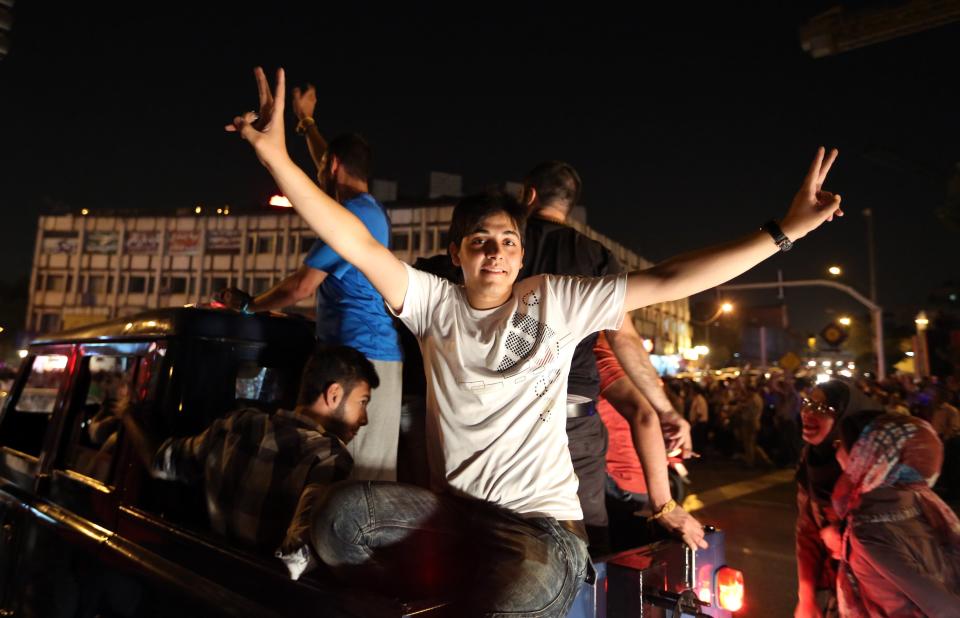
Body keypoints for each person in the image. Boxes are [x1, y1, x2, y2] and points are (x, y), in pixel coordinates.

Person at [227, 66, 841, 616]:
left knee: (523, 579)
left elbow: (670, 277)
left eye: (507, 241)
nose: (495, 251)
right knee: (340, 516)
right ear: (455, 255)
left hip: (547, 535)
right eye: (480, 242)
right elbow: (354, 240)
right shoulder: (430, 303)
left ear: (521, 255)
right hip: (461, 521)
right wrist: (279, 158)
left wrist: (782, 232)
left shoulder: (554, 299)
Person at [222, 84, 402, 483]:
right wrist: (305, 122)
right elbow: (328, 160)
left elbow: (301, 287)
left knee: (357, 478)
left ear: (333, 167)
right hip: (355, 354)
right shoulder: (363, 208)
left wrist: (250, 306)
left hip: (367, 358)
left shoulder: (352, 217)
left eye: (324, 168)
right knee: (333, 468)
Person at [517, 160, 699, 554]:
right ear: (570, 203)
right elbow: (627, 341)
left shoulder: (503, 244)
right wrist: (666, 410)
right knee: (588, 541)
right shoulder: (596, 258)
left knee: (512, 542)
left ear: (528, 195)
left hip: (506, 419)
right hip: (574, 423)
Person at [118, 343, 378, 579]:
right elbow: (295, 562)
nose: (364, 418)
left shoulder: (237, 425)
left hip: (205, 582)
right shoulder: (328, 456)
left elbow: (158, 461)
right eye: (362, 402)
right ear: (334, 394)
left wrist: (128, 414)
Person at [831, 411, 960, 617]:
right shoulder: (923, 502)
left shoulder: (871, 531)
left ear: (867, 455)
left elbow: (947, 609)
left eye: (839, 443)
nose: (835, 450)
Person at [593, 331, 697, 551]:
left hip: (617, 483)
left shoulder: (596, 349)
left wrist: (665, 506)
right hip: (634, 479)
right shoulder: (619, 355)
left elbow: (645, 415)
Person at [794, 379, 879, 618]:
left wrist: (844, 538)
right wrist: (807, 599)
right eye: (808, 402)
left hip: (877, 597)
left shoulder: (874, 465)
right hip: (839, 591)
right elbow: (807, 533)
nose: (809, 413)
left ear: (846, 417)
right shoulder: (811, 459)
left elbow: (892, 538)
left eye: (824, 408)